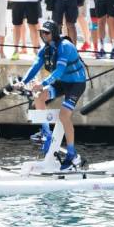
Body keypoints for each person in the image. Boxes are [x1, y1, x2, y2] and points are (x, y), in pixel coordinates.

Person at [21, 21, 87, 170]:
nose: (44, 35)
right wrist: (23, 82)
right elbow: (34, 67)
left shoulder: (65, 47)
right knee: (39, 96)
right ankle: (47, 134)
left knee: (64, 116)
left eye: (47, 33)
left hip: (76, 84)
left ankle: (71, 154)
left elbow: (59, 72)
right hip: (62, 83)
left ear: (54, 33)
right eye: (42, 33)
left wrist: (42, 84)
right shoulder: (45, 49)